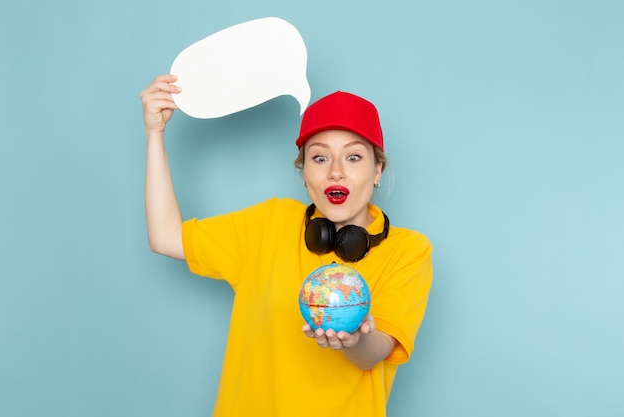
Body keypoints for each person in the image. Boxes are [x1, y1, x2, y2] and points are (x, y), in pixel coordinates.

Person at [140, 74, 433, 417]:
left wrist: (355, 339)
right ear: (303, 173)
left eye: (353, 158)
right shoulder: (270, 223)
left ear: (377, 170)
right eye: (320, 158)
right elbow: (165, 237)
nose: (336, 172)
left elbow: (375, 351)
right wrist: (154, 134)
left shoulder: (409, 251)